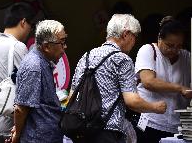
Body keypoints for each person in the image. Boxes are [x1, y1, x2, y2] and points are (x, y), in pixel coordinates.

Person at [71, 14, 167, 143]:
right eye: (134, 37)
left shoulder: (86, 56)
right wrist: (155, 107)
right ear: (126, 34)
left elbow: (73, 94)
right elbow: (131, 100)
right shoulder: (122, 59)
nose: (134, 42)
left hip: (83, 130)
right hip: (109, 132)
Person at [0, 2, 38, 143]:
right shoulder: (17, 46)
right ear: (23, 22)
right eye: (31, 26)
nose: (30, 31)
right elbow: (28, 84)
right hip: (11, 121)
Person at [134, 16, 192, 143]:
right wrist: (180, 88)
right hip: (151, 122)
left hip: (178, 126)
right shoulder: (148, 50)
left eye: (179, 46)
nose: (174, 50)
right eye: (170, 45)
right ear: (159, 38)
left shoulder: (186, 56)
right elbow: (148, 82)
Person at [10, 20, 67, 143]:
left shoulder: (42, 62)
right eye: (61, 43)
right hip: (38, 138)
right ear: (46, 46)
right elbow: (20, 109)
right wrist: (17, 135)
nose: (65, 47)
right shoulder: (34, 66)